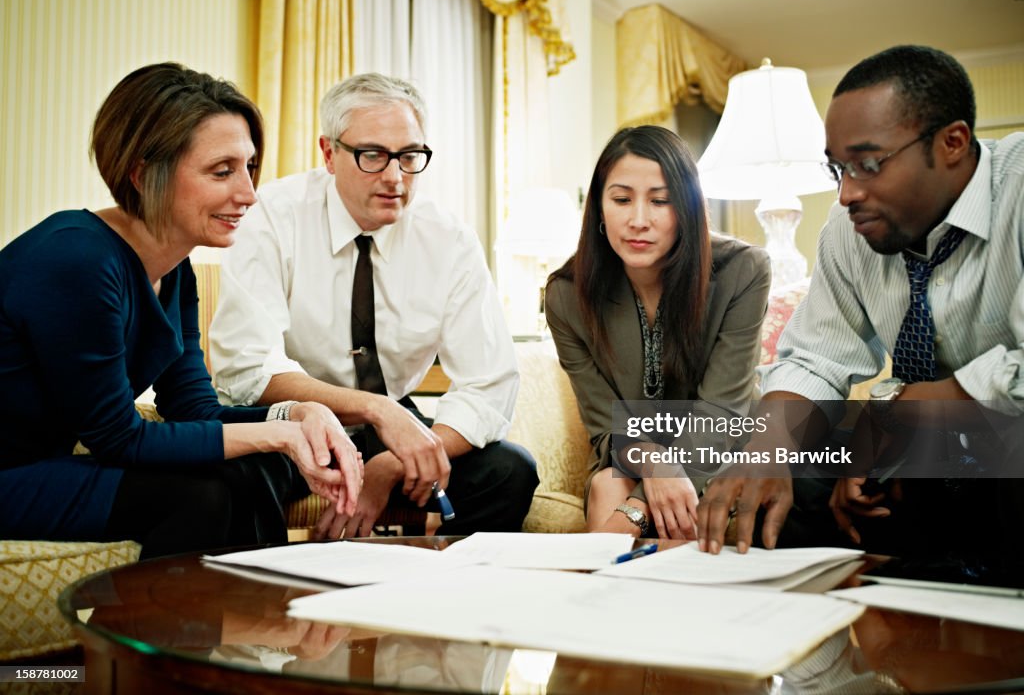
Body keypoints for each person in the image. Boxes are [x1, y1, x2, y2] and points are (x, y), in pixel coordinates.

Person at [0, 63, 362, 558]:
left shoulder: (175, 270)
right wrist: (279, 433)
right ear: (145, 172)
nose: (249, 195)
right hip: (9, 474)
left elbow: (195, 409)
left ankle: (263, 626)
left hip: (39, 466)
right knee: (199, 497)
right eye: (222, 171)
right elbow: (119, 440)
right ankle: (153, 636)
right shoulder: (77, 258)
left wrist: (298, 412)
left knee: (245, 470)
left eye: (249, 168)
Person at [697, 45, 1024, 558]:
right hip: (920, 461)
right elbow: (815, 359)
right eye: (838, 170)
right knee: (786, 476)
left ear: (953, 143)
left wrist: (897, 412)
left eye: (869, 164)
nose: (847, 193)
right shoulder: (848, 230)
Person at [210, 72, 538, 537]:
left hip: (392, 422)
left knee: (510, 472)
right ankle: (273, 604)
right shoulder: (271, 216)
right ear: (328, 153)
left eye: (409, 157)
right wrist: (377, 411)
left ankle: (436, 600)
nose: (394, 177)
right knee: (235, 479)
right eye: (372, 156)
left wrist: (389, 463)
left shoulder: (449, 239)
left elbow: (491, 383)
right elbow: (247, 371)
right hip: (297, 418)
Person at [545, 125, 771, 539]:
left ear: (686, 208)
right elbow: (605, 426)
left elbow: (722, 411)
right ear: (598, 206)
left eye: (660, 201)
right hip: (631, 455)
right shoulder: (566, 295)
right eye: (621, 199)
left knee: (671, 504)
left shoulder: (743, 271)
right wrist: (652, 463)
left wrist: (641, 505)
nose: (638, 220)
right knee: (605, 483)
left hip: (720, 446)